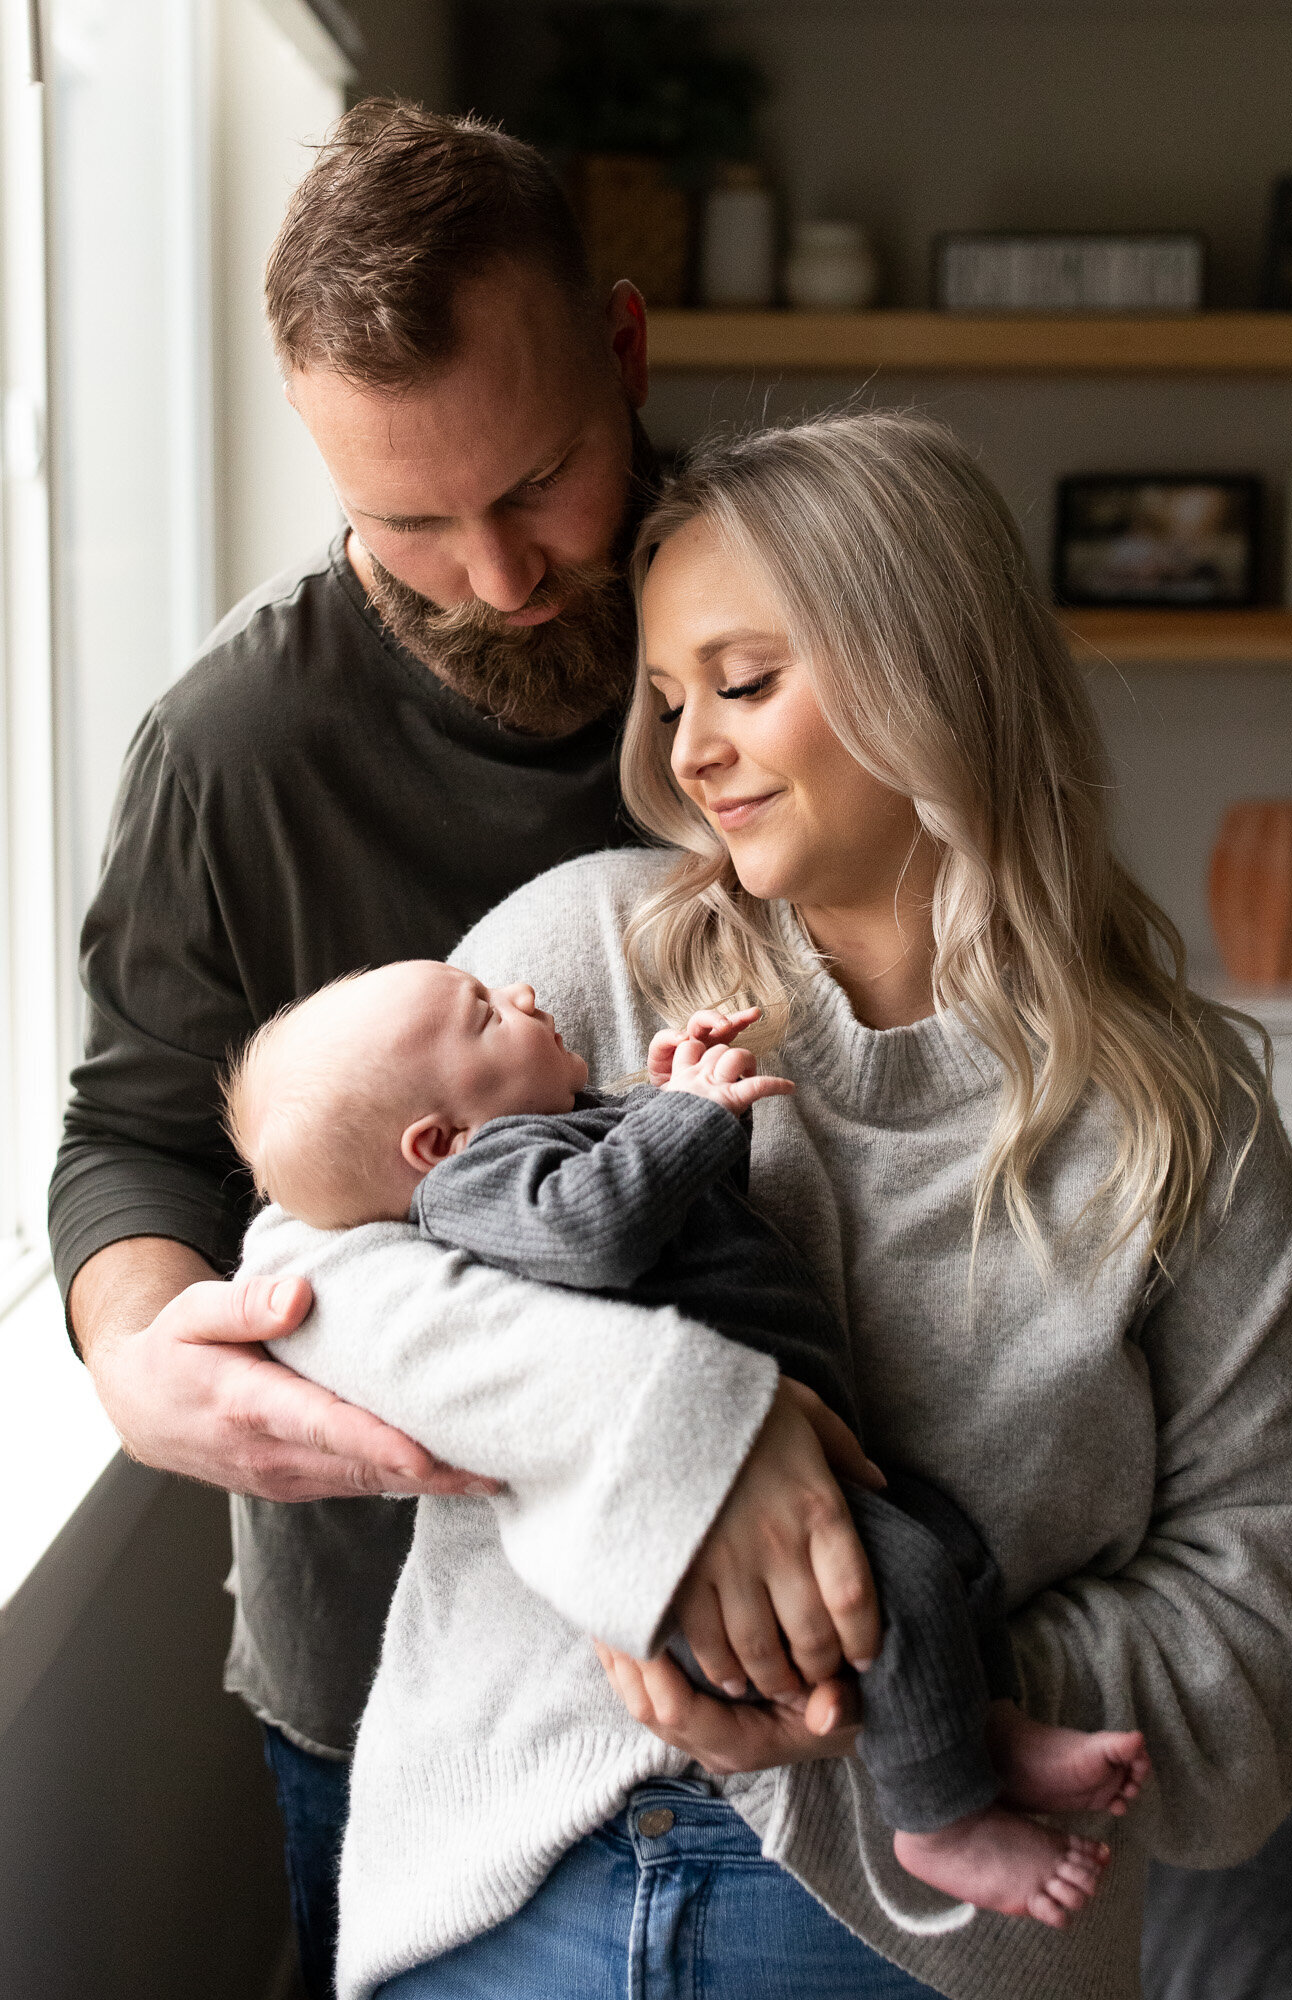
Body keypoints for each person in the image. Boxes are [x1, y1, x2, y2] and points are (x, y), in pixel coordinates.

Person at [234, 411, 1292, 2000]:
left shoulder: (1185, 1121)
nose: (690, 749)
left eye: (746, 683)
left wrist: (859, 1669)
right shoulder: (576, 964)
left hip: (930, 1939)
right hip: (503, 1891)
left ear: (934, 676)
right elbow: (304, 1265)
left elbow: (1255, 1658)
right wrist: (682, 1434)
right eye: (670, 698)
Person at [49, 102, 879, 1999]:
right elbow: (134, 1137)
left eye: (538, 485)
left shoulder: (810, 627)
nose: (494, 574)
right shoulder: (231, 748)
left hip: (818, 1618)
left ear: (627, 351)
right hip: (391, 1677)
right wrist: (137, 1355)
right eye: (405, 522)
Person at [222, 958, 1152, 1923]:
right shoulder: (477, 1183)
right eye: (487, 1015)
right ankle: (938, 1822)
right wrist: (683, 1117)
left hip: (808, 1450)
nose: (529, 995)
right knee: (907, 1585)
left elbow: (687, 1225)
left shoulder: (556, 1134)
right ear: (440, 1140)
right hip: (700, 1516)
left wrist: (684, 1103)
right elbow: (596, 1232)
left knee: (950, 1550)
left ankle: (979, 1734)